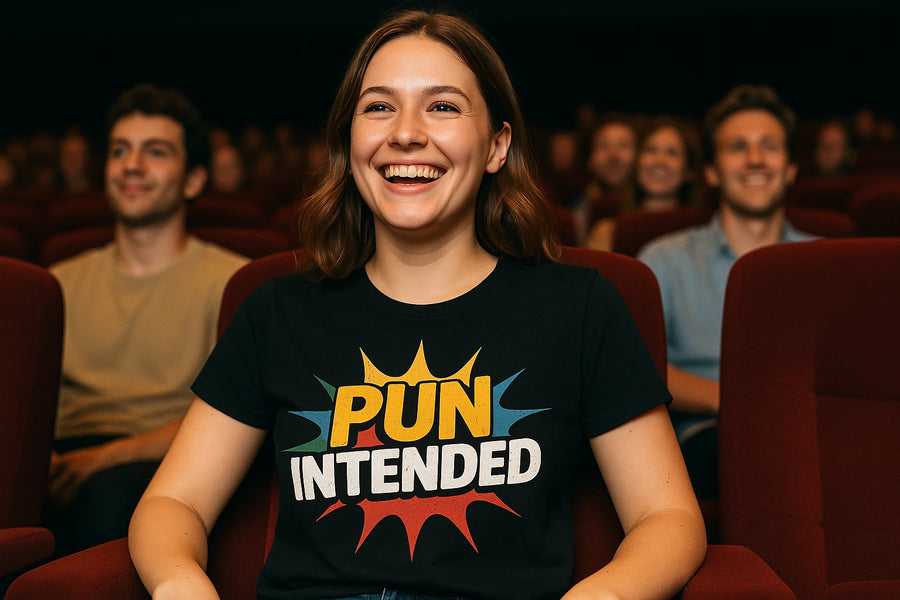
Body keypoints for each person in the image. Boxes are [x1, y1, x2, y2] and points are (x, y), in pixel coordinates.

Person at [129, 10, 705, 600]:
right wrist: (178, 582)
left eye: (443, 106)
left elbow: (668, 518)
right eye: (379, 106)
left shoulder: (579, 307)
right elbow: (174, 501)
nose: (405, 133)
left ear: (497, 146)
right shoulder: (276, 312)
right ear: (349, 142)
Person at [46, 83, 249, 556]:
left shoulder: (233, 282)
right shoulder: (57, 282)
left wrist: (98, 460)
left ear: (193, 180)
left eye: (155, 152)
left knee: (109, 499)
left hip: (164, 459)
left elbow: (233, 421)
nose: (132, 165)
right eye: (120, 150)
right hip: (57, 455)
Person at [637, 85, 816, 499]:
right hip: (708, 435)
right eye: (738, 147)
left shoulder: (825, 262)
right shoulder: (664, 259)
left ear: (791, 168)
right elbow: (639, 371)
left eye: (769, 146)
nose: (755, 158)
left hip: (812, 426)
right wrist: (739, 401)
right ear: (712, 172)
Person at [587, 116, 703, 252]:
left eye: (672, 153)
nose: (659, 161)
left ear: (689, 171)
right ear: (636, 163)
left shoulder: (703, 231)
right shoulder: (608, 232)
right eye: (650, 150)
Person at [569, 112, 639, 245]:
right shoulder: (573, 211)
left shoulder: (652, 208)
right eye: (603, 146)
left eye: (623, 145)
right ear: (590, 159)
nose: (613, 156)